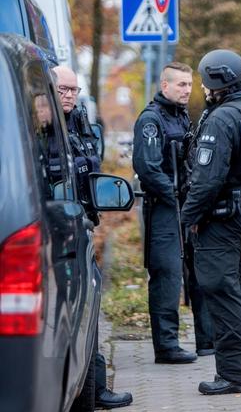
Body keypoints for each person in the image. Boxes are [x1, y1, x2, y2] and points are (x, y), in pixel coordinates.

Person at [181, 49, 241, 395]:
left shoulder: (221, 119)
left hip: (222, 218)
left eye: (205, 82)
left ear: (215, 82)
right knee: (233, 291)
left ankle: (235, 375)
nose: (203, 88)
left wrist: (188, 217)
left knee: (222, 294)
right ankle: (234, 371)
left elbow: (207, 179)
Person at [53, 66, 133, 409]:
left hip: (81, 225)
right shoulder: (41, 126)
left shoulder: (81, 122)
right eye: (63, 89)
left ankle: (94, 386)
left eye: (74, 89)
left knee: (90, 305)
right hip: (55, 231)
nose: (70, 95)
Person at [132, 62, 213, 364]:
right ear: (164, 85)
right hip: (165, 209)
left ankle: (207, 340)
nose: (186, 90)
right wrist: (175, 198)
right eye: (180, 85)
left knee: (200, 271)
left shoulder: (181, 117)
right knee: (167, 275)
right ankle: (166, 347)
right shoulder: (151, 120)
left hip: (186, 207)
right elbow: (148, 169)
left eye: (189, 85)